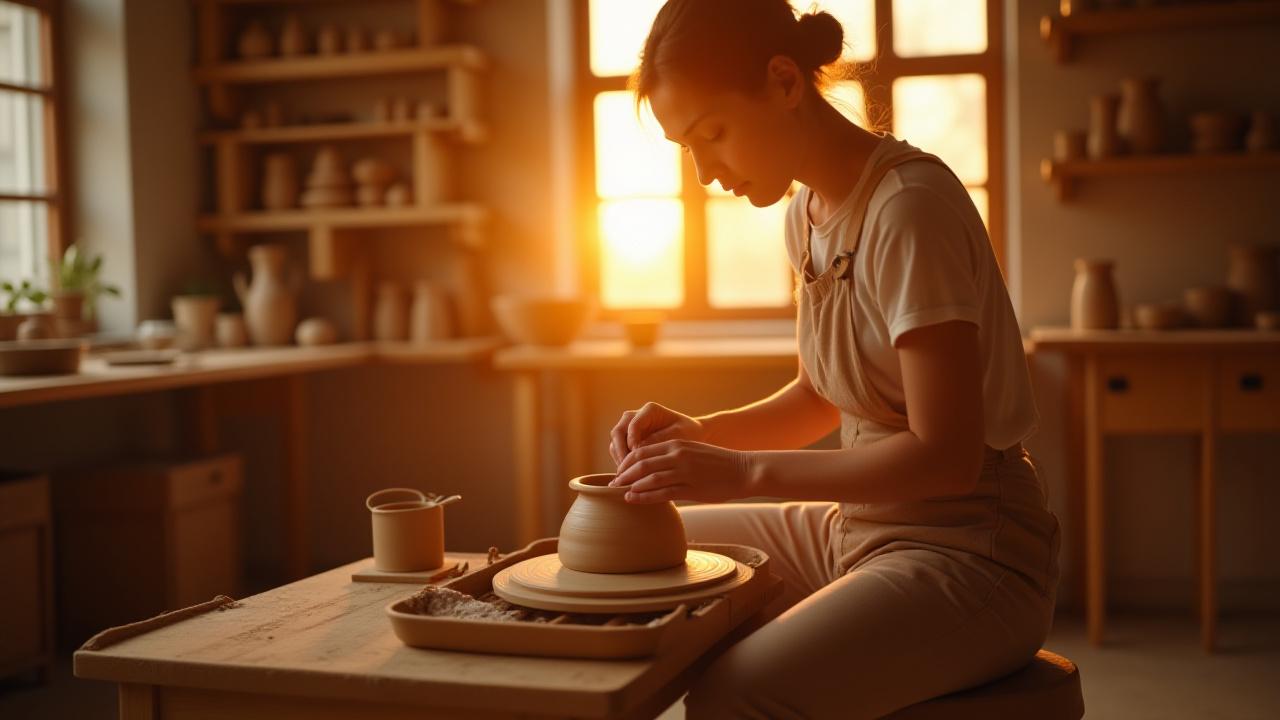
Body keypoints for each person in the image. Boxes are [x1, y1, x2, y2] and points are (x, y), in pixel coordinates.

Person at [605, 1, 1061, 717]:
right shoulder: (806, 215)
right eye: (685, 149)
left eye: (712, 134)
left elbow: (949, 459)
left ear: (785, 82)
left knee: (740, 690)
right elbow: (818, 398)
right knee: (633, 553)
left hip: (972, 551)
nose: (702, 173)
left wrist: (741, 473)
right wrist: (696, 434)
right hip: (860, 528)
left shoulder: (909, 207)